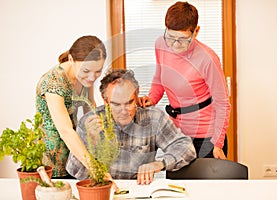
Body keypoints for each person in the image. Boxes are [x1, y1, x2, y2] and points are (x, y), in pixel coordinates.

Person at [66, 69, 196, 185]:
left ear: (136, 97)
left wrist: (160, 164)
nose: (124, 111)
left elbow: (186, 148)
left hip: (140, 190)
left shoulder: (154, 118)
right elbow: (74, 170)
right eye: (116, 104)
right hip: (103, 191)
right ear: (105, 101)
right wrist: (91, 142)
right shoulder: (89, 122)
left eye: (129, 102)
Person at [139, 2, 231, 159]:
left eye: (182, 39)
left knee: (204, 184)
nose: (175, 44)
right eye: (170, 37)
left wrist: (217, 144)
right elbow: (159, 78)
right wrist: (152, 98)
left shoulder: (207, 59)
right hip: (176, 134)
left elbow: (223, 103)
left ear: (196, 32)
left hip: (206, 137)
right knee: (176, 183)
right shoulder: (160, 44)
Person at [36, 35, 107, 178]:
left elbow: (90, 106)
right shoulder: (53, 82)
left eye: (98, 71)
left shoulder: (86, 77)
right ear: (70, 60)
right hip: (52, 159)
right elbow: (65, 130)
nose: (92, 77)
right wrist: (94, 168)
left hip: (74, 154)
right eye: (86, 71)